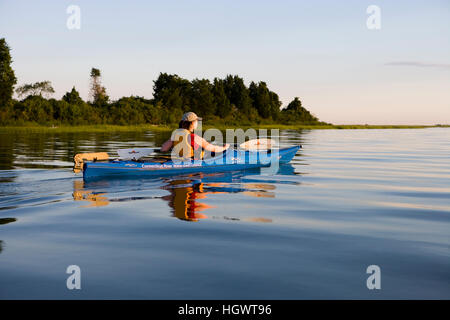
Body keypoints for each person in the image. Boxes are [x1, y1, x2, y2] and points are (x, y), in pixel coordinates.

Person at [160, 112, 229, 159]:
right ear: (192, 123)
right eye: (196, 121)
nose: (197, 123)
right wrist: (224, 148)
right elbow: (213, 149)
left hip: (179, 160)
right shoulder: (194, 137)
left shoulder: (175, 135)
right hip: (192, 163)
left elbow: (164, 149)